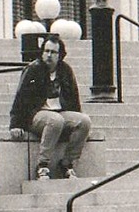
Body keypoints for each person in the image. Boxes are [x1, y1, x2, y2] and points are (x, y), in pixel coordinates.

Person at [7, 33, 91, 179]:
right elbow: (20, 97)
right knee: (55, 120)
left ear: (60, 55)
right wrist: (15, 124)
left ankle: (67, 163)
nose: (49, 55)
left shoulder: (65, 70)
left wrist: (75, 126)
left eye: (53, 52)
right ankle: (43, 166)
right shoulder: (33, 69)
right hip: (37, 114)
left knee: (84, 121)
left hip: (60, 112)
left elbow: (74, 98)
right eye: (46, 51)